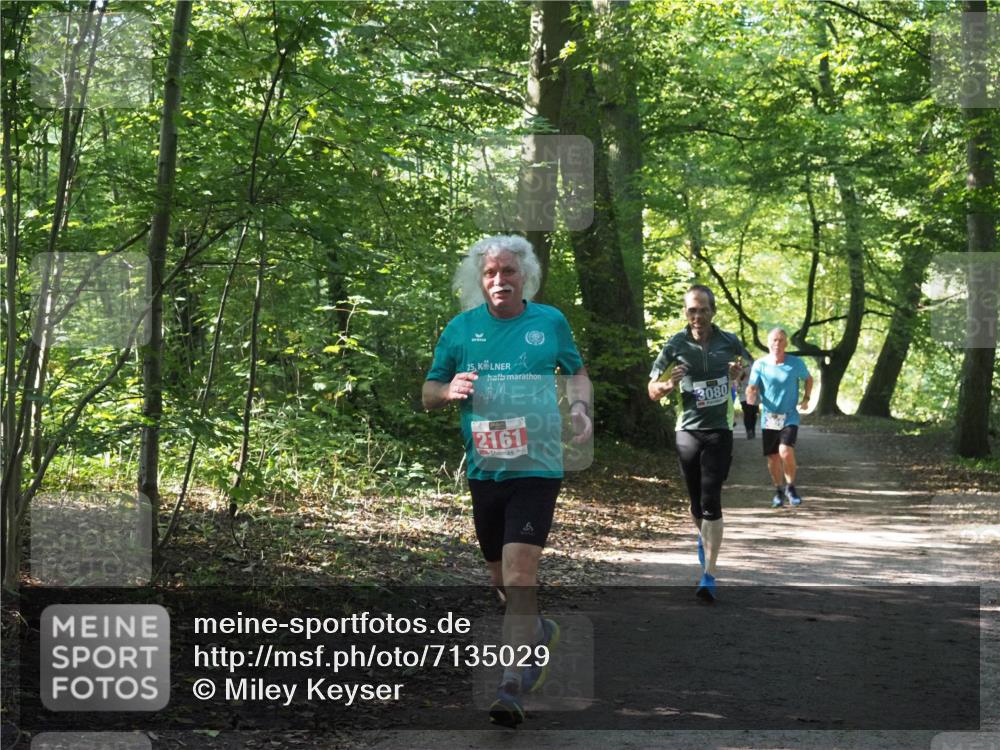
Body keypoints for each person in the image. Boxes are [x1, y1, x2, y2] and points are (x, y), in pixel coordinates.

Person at [422, 234, 593, 727]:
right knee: (499, 578)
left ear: (526, 277)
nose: (500, 280)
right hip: (486, 469)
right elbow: (429, 391)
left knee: (521, 574)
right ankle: (537, 630)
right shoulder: (461, 329)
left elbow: (577, 372)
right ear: (481, 280)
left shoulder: (549, 322)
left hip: (537, 467)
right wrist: (448, 388)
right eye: (491, 273)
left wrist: (579, 407)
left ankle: (511, 681)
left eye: (509, 272)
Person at [647, 285, 750, 603]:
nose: (697, 316)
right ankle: (703, 538)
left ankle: (710, 574)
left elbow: (750, 373)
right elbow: (651, 388)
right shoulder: (676, 343)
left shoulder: (729, 341)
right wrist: (667, 384)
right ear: (686, 313)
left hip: (719, 430)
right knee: (695, 504)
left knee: (710, 500)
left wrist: (738, 374)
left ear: (713, 311)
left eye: (702, 309)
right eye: (691, 310)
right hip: (688, 431)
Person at [745, 327, 813, 508]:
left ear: (786, 343)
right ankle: (778, 490)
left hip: (790, 415)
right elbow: (752, 386)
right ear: (768, 343)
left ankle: (791, 487)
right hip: (769, 417)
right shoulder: (760, 364)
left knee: (785, 451)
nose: (777, 343)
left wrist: (806, 399)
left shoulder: (795, 363)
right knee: (773, 457)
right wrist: (750, 396)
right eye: (774, 340)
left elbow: (808, 379)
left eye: (781, 340)